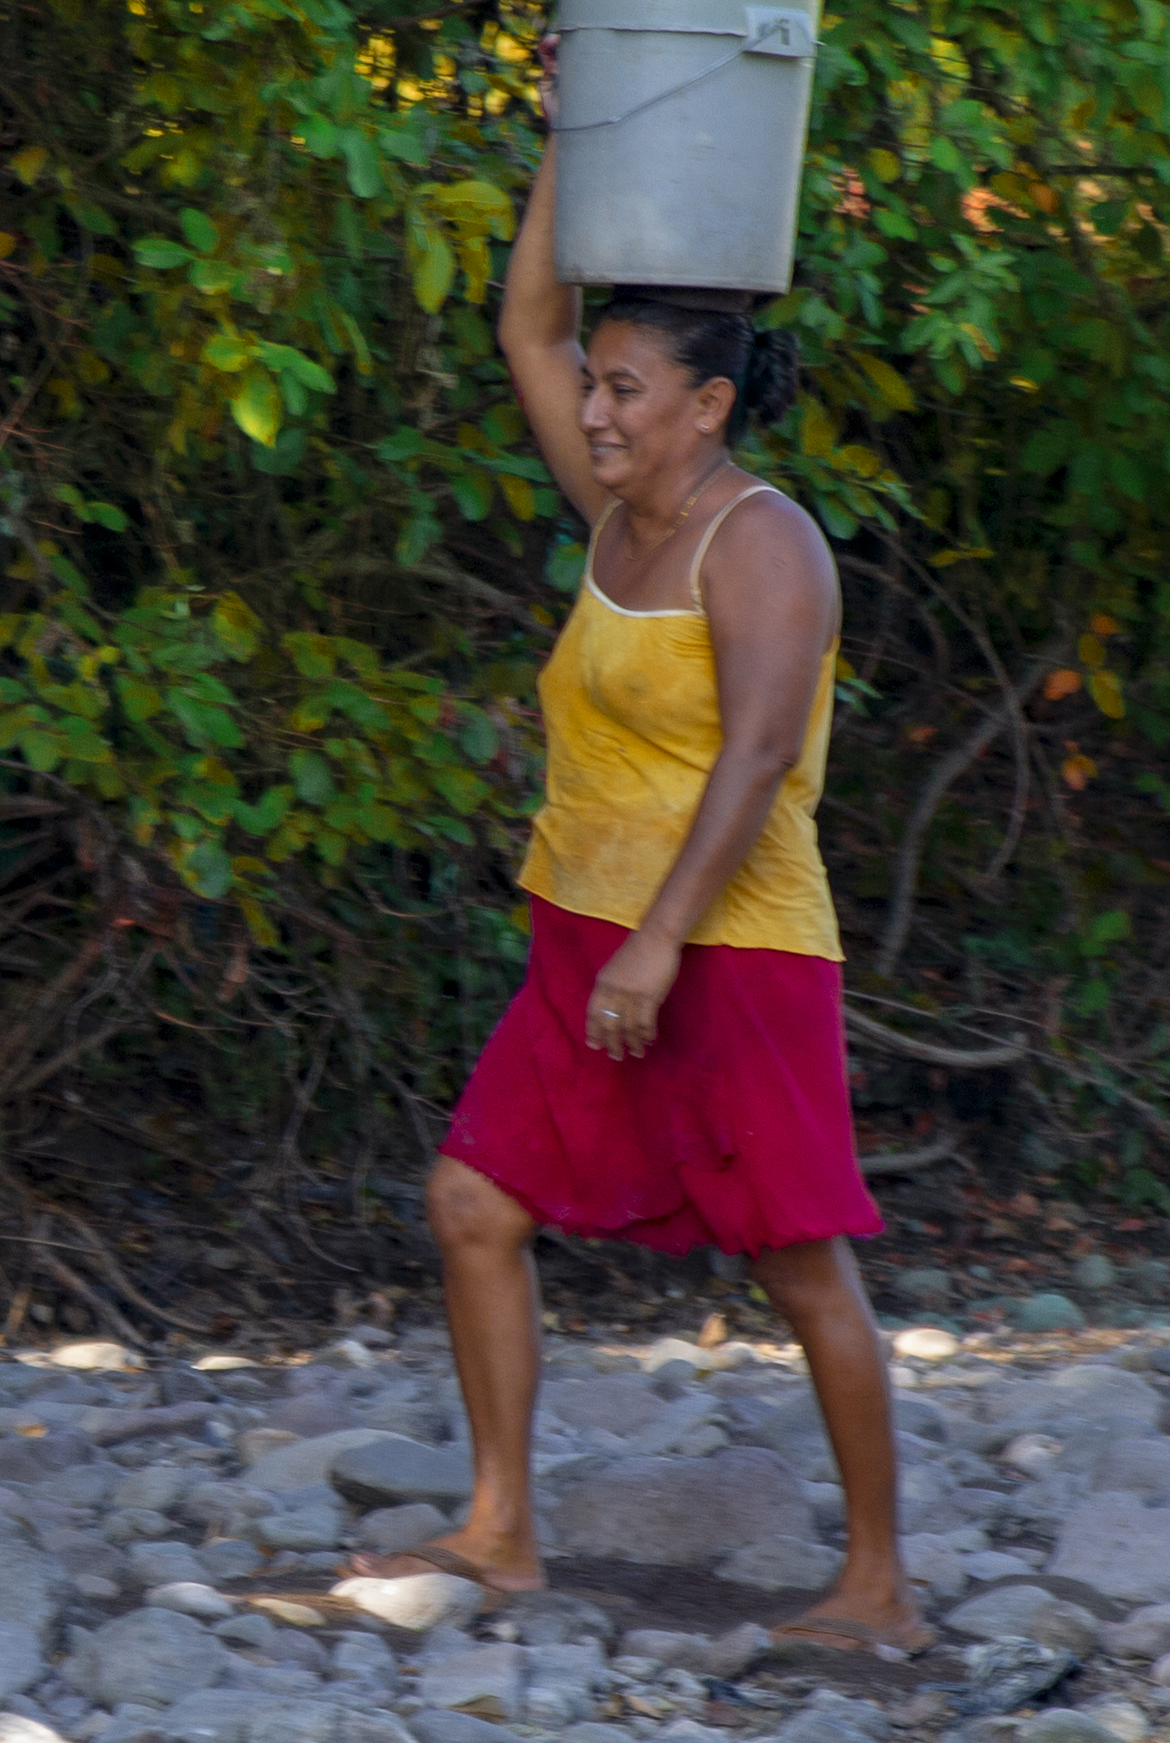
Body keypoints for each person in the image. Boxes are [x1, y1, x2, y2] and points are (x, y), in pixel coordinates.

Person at [331, 135, 925, 1655]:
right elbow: (524, 323)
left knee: (797, 1262)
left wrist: (662, 943)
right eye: (593, 387)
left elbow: (765, 751)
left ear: (709, 407)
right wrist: (568, 143)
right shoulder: (616, 515)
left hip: (726, 948)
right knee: (473, 1200)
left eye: (626, 391)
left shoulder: (761, 540)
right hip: (585, 931)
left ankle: (875, 1588)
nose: (592, 409)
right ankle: (503, 1530)